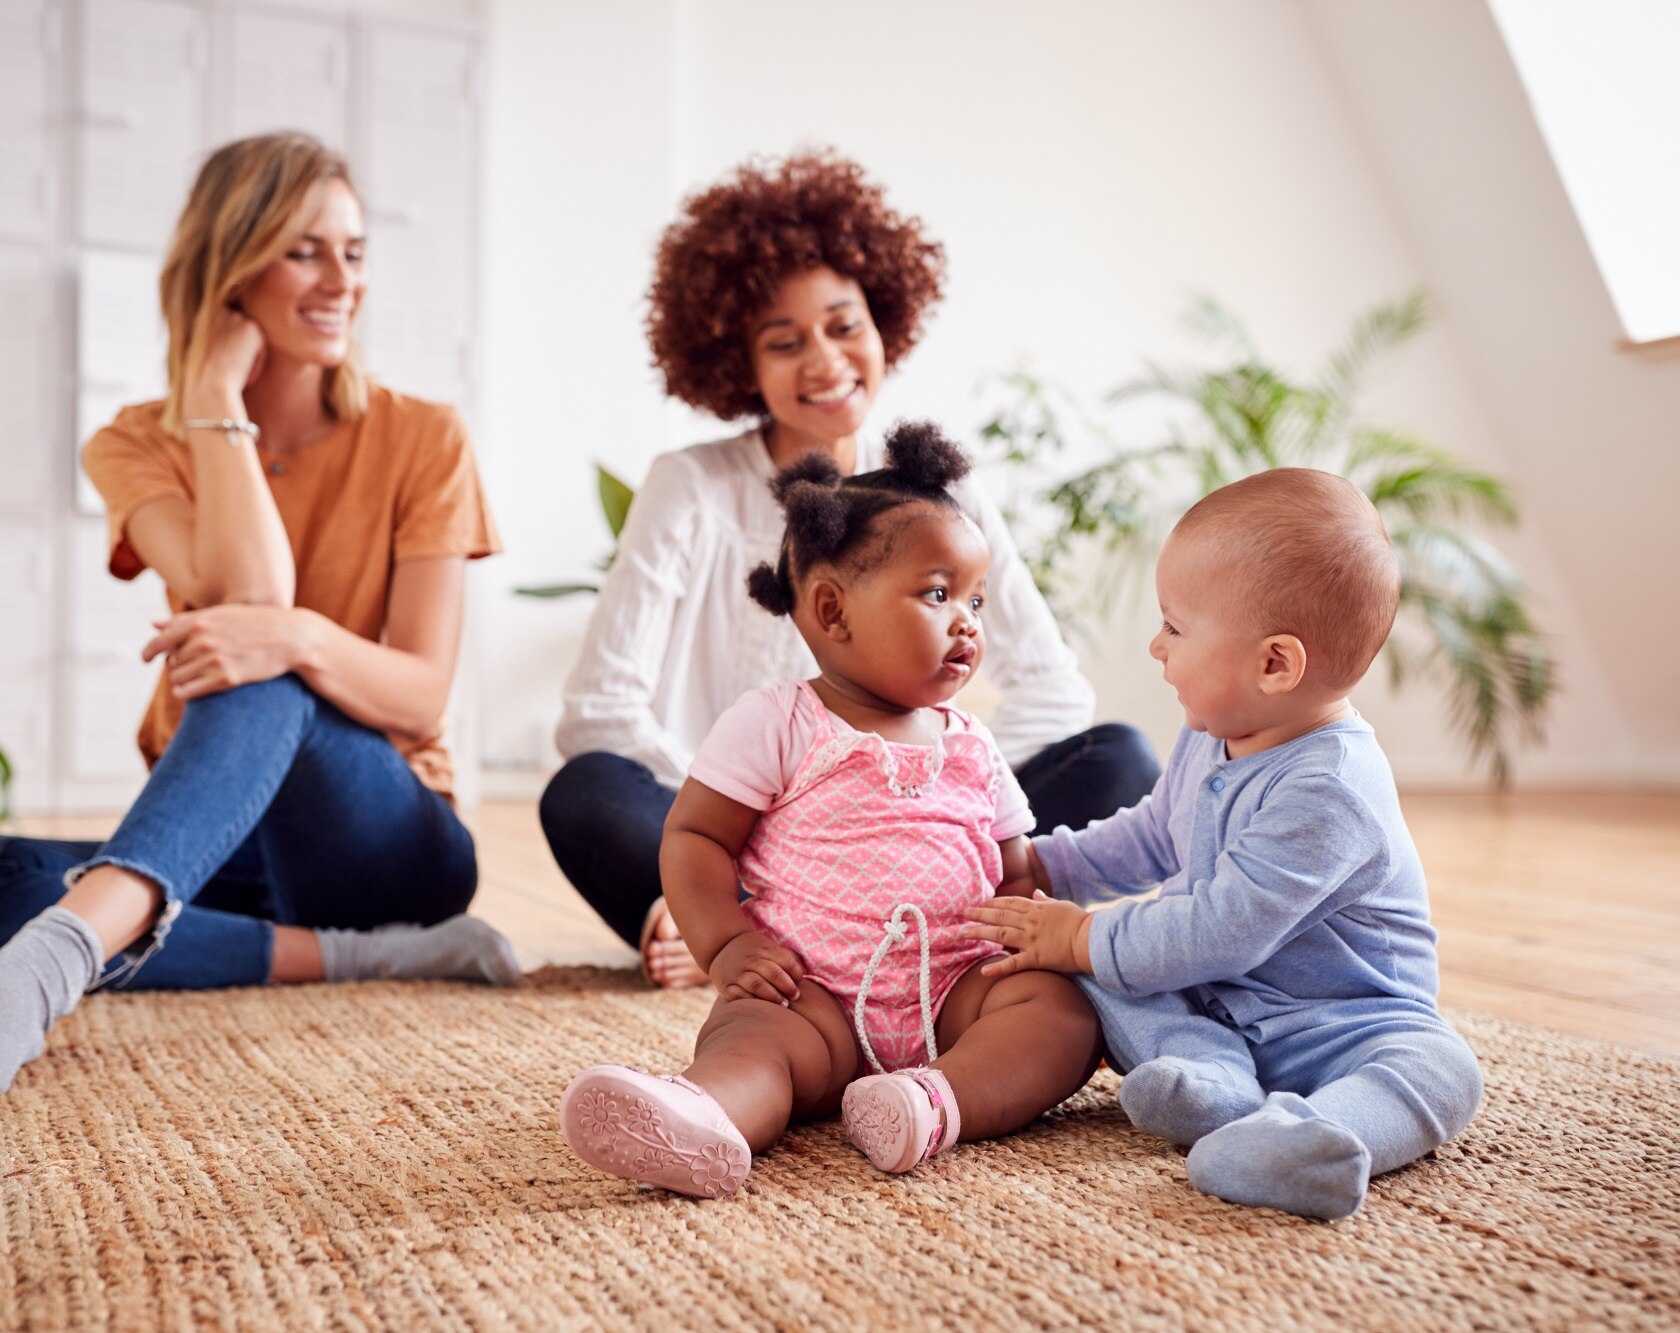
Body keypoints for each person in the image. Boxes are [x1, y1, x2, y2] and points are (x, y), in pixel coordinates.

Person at [0, 133, 516, 1102]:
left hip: (384, 840)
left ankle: (50, 964)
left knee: (255, 655)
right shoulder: (136, 440)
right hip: (227, 850)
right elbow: (246, 593)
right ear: (229, 268)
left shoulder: (423, 435)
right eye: (304, 249)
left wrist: (298, 637)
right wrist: (217, 399)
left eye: (353, 249)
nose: (341, 278)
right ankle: (363, 958)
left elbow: (417, 693)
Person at [542, 150, 1159, 990]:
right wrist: (767, 816)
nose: (826, 361)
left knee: (1116, 756)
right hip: (732, 829)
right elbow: (599, 714)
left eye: (843, 325)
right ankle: (713, 910)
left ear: (884, 322)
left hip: (915, 832)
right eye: (784, 341)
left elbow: (1055, 692)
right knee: (584, 792)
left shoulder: (939, 490)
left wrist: (925, 793)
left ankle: (858, 911)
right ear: (739, 363)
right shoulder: (689, 485)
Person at [558, 425, 1103, 1199]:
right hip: (810, 993)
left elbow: (1014, 868)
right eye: (940, 594)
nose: (969, 621)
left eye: (977, 598)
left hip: (955, 992)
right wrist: (726, 946)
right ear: (831, 609)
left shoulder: (974, 744)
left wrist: (1034, 930)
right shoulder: (779, 721)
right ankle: (702, 1113)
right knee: (753, 1037)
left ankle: (933, 1101)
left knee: (1062, 1015)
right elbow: (695, 836)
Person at [963, 468, 1485, 1220]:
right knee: (1095, 976)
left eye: (1175, 627)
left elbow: (1221, 927)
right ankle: (1211, 1080)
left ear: (1275, 663)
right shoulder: (1212, 736)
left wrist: (1079, 934)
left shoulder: (1330, 785)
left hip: (1342, 1024)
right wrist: (1048, 862)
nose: (1155, 644)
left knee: (1441, 1066)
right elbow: (1153, 833)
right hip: (1220, 1003)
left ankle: (1315, 1137)